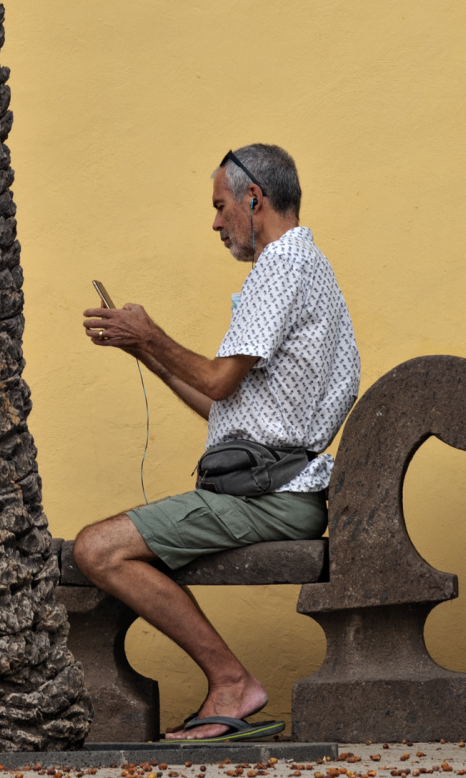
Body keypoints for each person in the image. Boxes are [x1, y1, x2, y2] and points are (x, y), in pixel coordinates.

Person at [73, 144, 361, 744]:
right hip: (278, 488)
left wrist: (153, 333)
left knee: (97, 550)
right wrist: (144, 350)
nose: (214, 222)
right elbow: (222, 405)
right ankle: (230, 681)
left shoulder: (282, 265)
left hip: (270, 497)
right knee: (103, 548)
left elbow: (217, 380)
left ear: (254, 198)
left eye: (219, 205)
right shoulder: (307, 264)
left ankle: (231, 682)